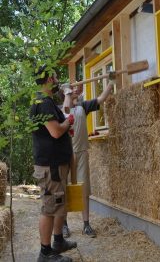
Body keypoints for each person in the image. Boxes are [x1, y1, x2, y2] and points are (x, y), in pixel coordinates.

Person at [30, 65, 77, 262]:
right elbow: (56, 131)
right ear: (49, 79)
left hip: (56, 164)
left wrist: (70, 97)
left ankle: (58, 241)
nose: (58, 80)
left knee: (58, 205)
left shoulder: (44, 101)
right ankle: (45, 252)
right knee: (49, 208)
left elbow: (58, 122)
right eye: (56, 77)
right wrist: (69, 122)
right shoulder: (43, 102)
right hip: (51, 166)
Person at [61, 72, 116, 238]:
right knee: (64, 190)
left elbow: (101, 99)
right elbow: (65, 109)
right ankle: (63, 225)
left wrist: (111, 83)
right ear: (66, 93)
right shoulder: (60, 109)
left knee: (83, 189)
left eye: (77, 89)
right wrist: (68, 91)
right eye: (72, 89)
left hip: (82, 153)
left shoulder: (83, 107)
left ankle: (86, 225)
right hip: (65, 155)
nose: (75, 90)